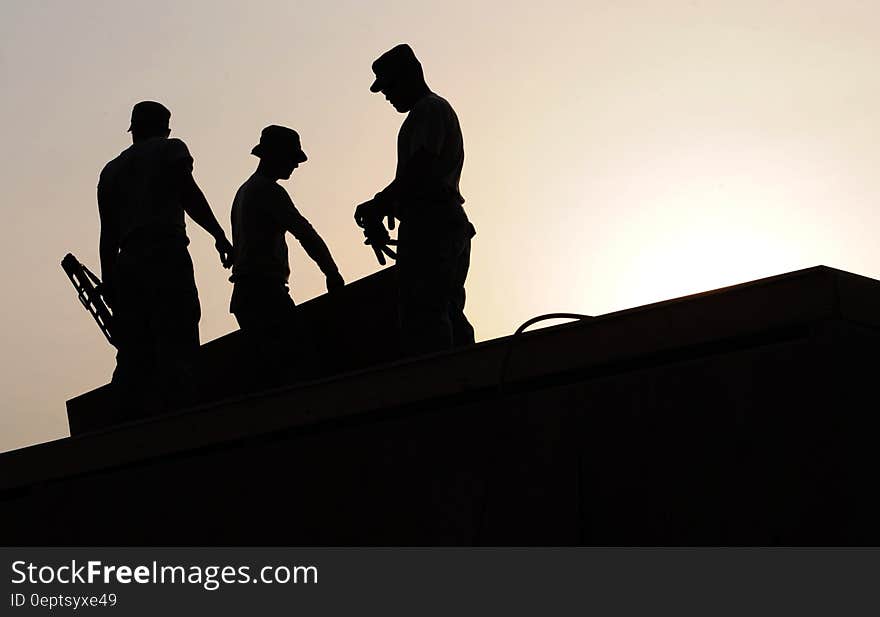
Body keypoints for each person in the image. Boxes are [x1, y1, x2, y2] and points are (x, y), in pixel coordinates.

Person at [97, 100, 233, 419]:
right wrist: (218, 234)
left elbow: (108, 236)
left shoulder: (110, 172)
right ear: (163, 127)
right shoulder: (170, 149)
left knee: (133, 352)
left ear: (134, 130)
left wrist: (109, 282)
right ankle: (187, 419)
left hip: (127, 264)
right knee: (179, 336)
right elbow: (189, 194)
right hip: (165, 254)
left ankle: (122, 428)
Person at [355, 43, 476, 356]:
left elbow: (421, 170)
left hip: (435, 227)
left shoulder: (429, 110)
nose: (387, 96)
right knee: (443, 310)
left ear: (409, 76)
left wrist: (380, 203)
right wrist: (387, 209)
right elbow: (415, 181)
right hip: (434, 225)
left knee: (427, 314)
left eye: (389, 88)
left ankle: (444, 384)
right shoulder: (422, 116)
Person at [229, 125, 343, 381]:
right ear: (275, 155)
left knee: (270, 369)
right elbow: (304, 233)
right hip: (263, 292)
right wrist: (332, 272)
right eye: (292, 158)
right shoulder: (268, 191)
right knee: (297, 362)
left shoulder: (243, 192)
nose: (296, 165)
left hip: (247, 294)